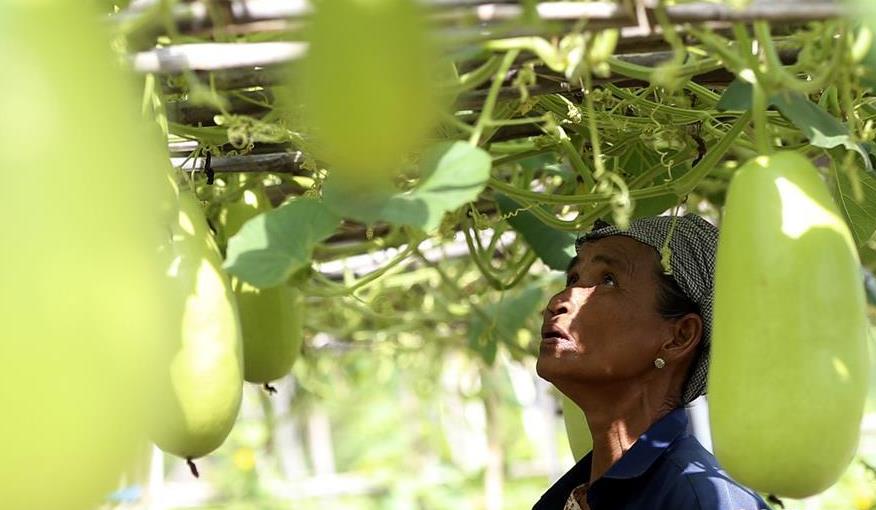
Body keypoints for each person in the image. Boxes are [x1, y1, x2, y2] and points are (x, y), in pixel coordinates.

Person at [533, 214, 772, 510]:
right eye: (573, 279)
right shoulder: (567, 497)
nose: (559, 301)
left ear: (680, 337)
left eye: (608, 280)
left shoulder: (703, 500)